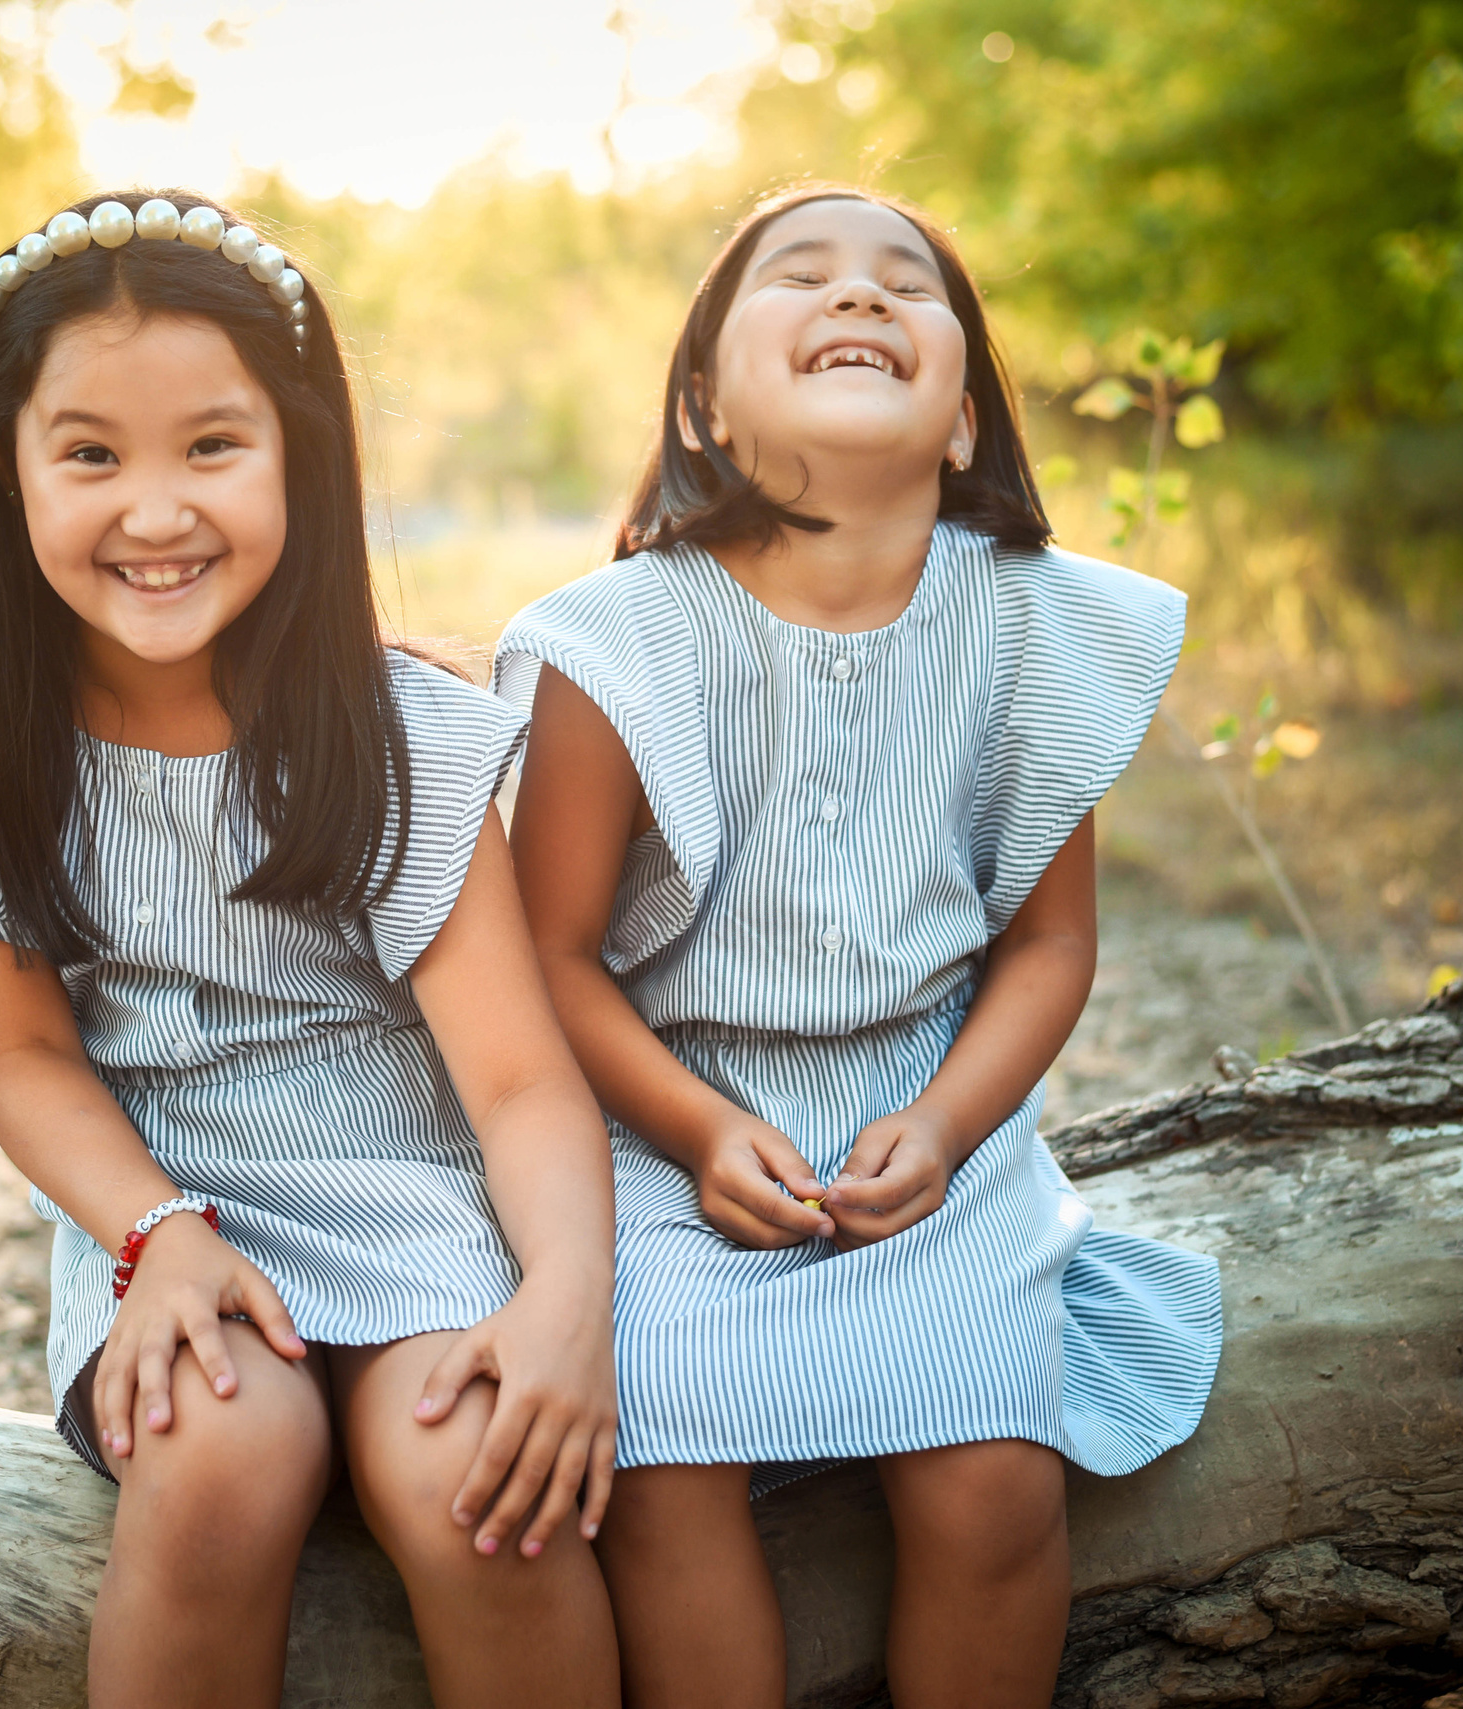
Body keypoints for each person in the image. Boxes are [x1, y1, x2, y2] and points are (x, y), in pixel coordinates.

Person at [0, 190, 619, 1709]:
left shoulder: (400, 737)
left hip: (409, 1186)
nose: (156, 510)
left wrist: (566, 1295)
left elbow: (519, 1080)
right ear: (9, 468)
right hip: (164, 1194)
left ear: (300, 457)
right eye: (91, 454)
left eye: (212, 445)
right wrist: (152, 1231)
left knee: (480, 1486)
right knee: (214, 1465)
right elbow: (25, 1057)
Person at [497, 183, 1223, 1709]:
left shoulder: (1034, 625)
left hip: (928, 1108)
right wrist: (694, 1128)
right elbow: (552, 956)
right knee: (662, 1471)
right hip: (664, 1113)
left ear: (963, 417)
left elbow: (1048, 946)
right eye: (803, 277)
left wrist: (953, 1126)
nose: (860, 297)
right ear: (700, 402)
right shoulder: (616, 640)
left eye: (908, 284)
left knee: (992, 1490)